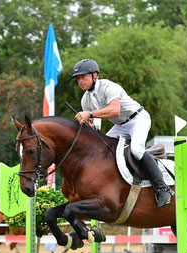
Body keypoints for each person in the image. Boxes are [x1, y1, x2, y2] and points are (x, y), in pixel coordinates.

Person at [72, 58, 174, 209]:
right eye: (78, 78)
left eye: (83, 77)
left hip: (137, 119)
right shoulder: (85, 100)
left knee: (137, 149)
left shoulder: (109, 87)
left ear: (95, 75)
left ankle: (163, 188)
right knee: (102, 150)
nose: (80, 81)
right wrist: (89, 124)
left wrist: (90, 114)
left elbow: (115, 110)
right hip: (120, 126)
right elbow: (96, 126)